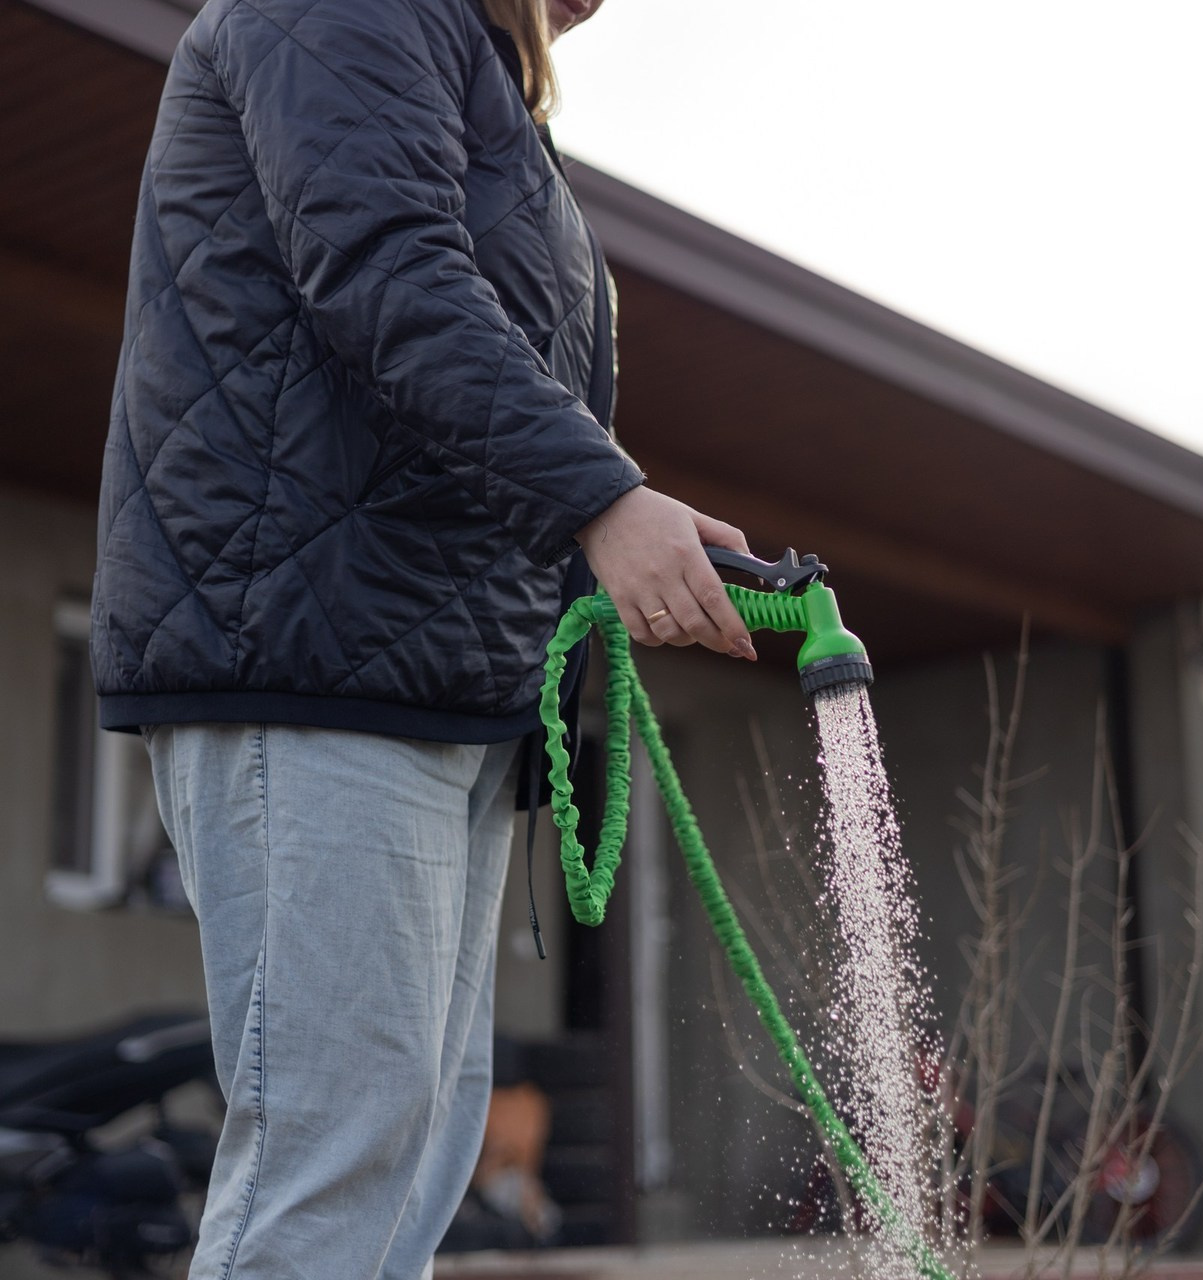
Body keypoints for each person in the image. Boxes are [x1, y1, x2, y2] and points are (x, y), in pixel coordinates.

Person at [91, 0, 756, 1276]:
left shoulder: (478, 68)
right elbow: (386, 269)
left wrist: (617, 533)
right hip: (311, 656)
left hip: (438, 681)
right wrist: (600, 499)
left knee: (410, 1169)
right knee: (335, 1170)